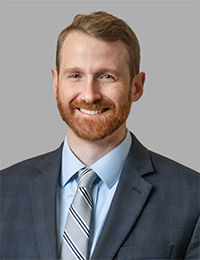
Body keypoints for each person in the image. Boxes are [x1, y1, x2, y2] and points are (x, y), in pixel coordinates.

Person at [0, 11, 200, 260]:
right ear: (56, 83)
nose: (89, 95)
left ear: (136, 87)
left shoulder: (192, 198)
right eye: (75, 76)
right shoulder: (5, 191)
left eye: (106, 76)